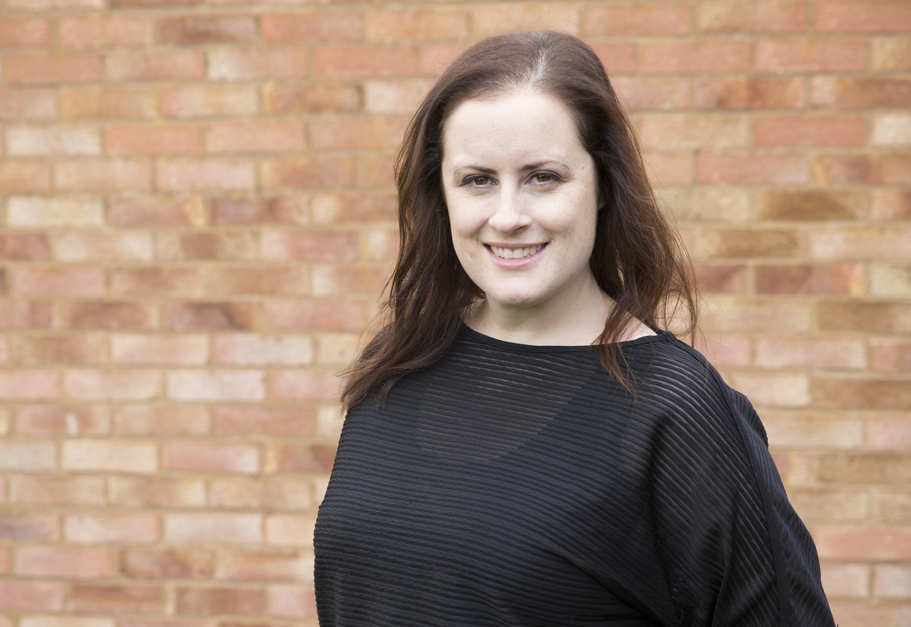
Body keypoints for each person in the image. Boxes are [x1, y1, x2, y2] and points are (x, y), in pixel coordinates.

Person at [314, 31, 836, 626]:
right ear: (443, 195)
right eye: (477, 179)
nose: (508, 216)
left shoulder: (673, 407)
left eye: (543, 177)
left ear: (604, 186)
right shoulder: (402, 363)